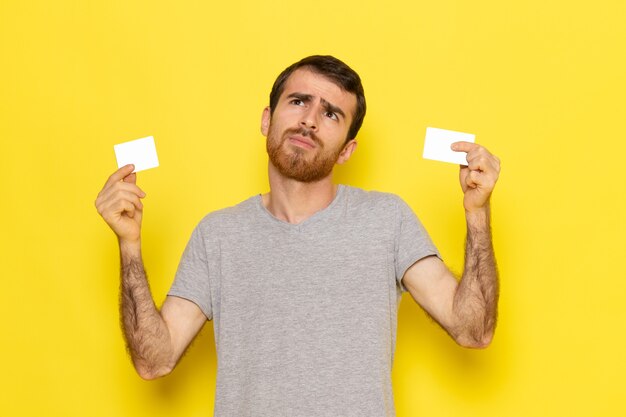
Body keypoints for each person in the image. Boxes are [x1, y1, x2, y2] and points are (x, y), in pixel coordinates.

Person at [95, 55, 500, 416]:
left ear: (346, 150)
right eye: (299, 101)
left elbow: (473, 329)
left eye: (331, 114)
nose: (309, 119)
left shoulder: (386, 219)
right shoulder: (218, 234)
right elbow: (154, 360)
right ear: (267, 119)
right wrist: (129, 244)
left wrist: (477, 214)